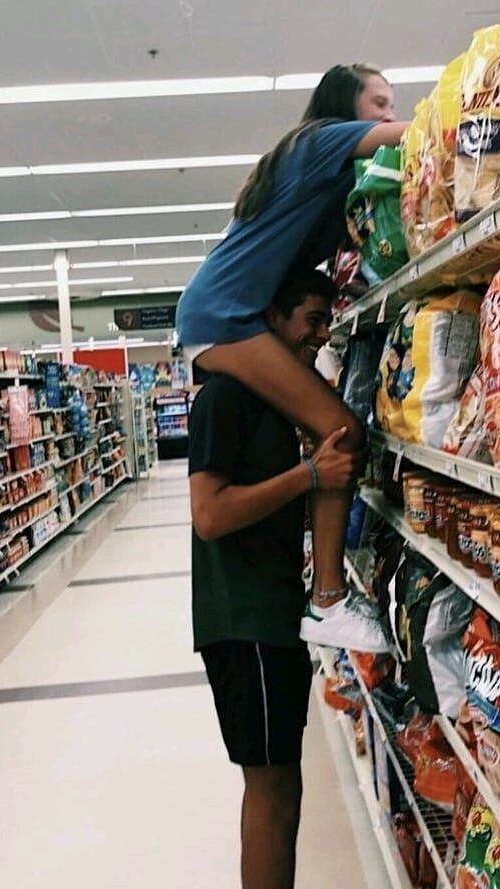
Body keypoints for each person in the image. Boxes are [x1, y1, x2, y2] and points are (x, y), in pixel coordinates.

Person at [177, 64, 410, 651]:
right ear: (344, 105)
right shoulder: (320, 139)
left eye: (390, 104)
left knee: (320, 431)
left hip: (224, 313)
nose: (386, 113)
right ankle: (327, 600)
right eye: (378, 102)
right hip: (223, 315)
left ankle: (317, 590)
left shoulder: (316, 174)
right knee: (343, 430)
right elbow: (412, 135)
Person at [189, 270, 367, 889]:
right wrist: (309, 475)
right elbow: (208, 514)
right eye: (313, 319)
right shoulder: (226, 397)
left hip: (270, 617)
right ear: (271, 318)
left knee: (282, 789)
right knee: (270, 794)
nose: (322, 334)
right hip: (244, 624)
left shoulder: (274, 399)